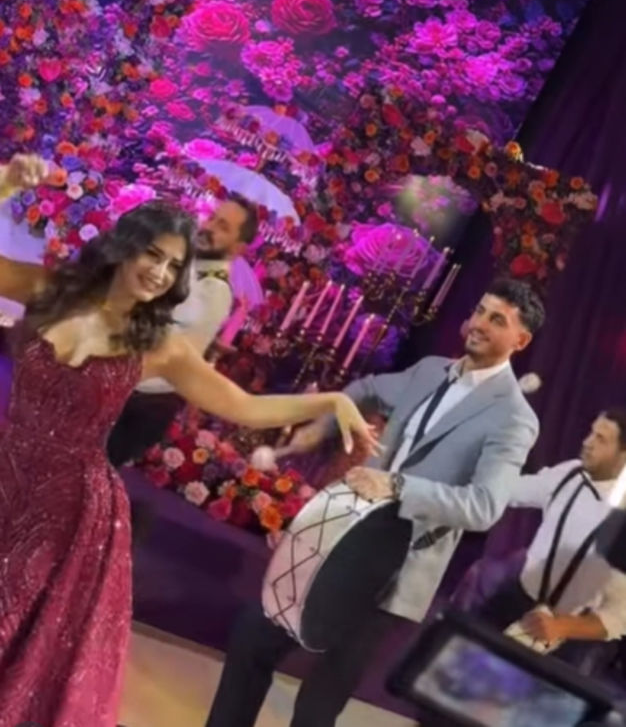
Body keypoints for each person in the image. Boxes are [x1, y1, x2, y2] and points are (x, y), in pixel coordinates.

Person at [0, 153, 377, 727]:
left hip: (67, 508)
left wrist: (331, 401)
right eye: (153, 255)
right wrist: (6, 185)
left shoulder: (161, 346)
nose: (160, 272)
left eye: (173, 265)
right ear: (124, 246)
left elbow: (242, 406)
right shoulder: (51, 290)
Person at [206, 277, 546, 727]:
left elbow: (483, 506)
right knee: (254, 636)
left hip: (397, 573)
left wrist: (397, 486)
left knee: (317, 706)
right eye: (480, 310)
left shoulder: (514, 418)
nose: (480, 323)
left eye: (497, 319)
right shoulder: (430, 370)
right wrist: (325, 426)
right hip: (347, 541)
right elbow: (364, 389)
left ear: (520, 341)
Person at [107, 194, 259, 468]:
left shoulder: (214, 290)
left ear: (238, 248)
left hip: (134, 402)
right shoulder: (183, 263)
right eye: (212, 218)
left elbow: (164, 355)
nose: (208, 227)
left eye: (223, 226)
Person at [471, 408, 626, 657]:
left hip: (569, 634)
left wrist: (561, 626)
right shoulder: (571, 473)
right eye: (591, 432)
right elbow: (512, 490)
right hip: (516, 602)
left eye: (601, 439)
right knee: (452, 661)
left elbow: (618, 616)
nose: (587, 442)